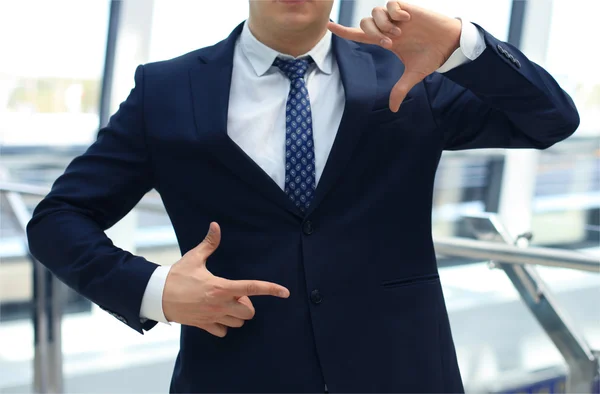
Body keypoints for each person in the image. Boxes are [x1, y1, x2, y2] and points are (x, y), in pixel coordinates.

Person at [27, 0, 579, 392]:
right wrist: (154, 290)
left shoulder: (411, 76)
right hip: (236, 376)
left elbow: (550, 120)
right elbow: (58, 218)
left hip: (403, 374)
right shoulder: (167, 90)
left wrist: (464, 44)